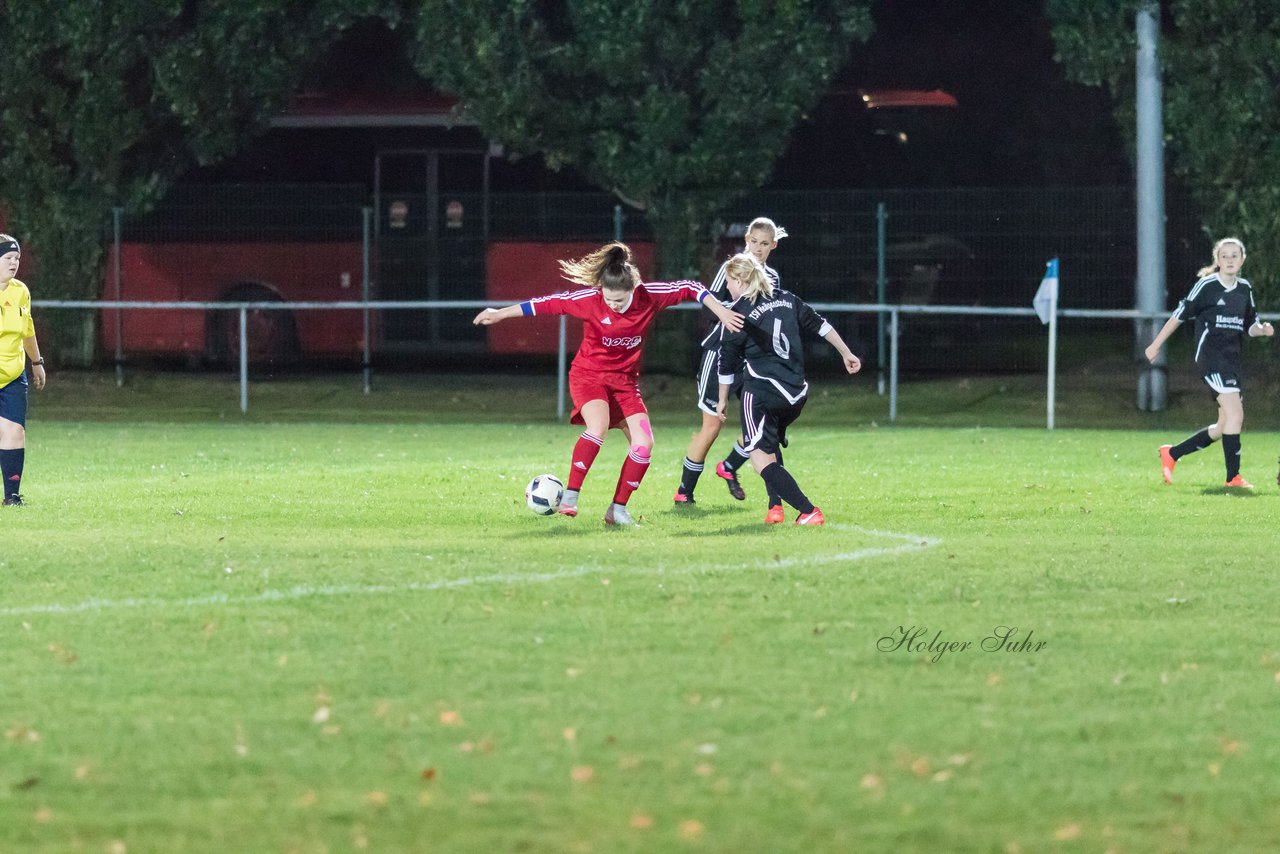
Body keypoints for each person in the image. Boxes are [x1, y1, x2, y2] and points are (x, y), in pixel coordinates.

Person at [473, 241, 743, 525]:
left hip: (625, 382)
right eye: (608, 299)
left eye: (619, 300)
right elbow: (546, 305)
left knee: (644, 445)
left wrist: (721, 310)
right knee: (598, 427)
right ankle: (571, 495)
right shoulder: (590, 300)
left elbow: (691, 287)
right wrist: (500, 313)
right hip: (589, 376)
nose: (612, 305)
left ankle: (617, 510)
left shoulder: (648, 296)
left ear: (633, 290)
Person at [715, 253, 861, 525]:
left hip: (763, 391)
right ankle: (775, 508)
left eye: (728, 282)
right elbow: (821, 325)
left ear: (738, 279)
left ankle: (808, 511)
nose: (727, 288)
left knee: (759, 459)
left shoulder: (736, 312)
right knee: (768, 446)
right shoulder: (787, 298)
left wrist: (722, 399)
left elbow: (726, 362)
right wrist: (846, 352)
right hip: (795, 394)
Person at [674, 216, 787, 507]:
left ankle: (731, 468)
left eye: (764, 244)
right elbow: (710, 305)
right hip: (721, 353)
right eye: (754, 241)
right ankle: (684, 490)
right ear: (746, 239)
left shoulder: (772, 277)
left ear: (773, 245)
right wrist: (730, 311)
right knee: (712, 426)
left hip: (751, 358)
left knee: (763, 423)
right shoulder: (732, 268)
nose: (758, 248)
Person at [1144, 237, 1273, 488]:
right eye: (1225, 256)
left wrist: (1262, 329)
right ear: (1217, 260)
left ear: (1242, 259)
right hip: (1211, 359)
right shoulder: (1207, 285)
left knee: (1224, 424)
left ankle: (1172, 454)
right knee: (1236, 413)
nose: (1230, 260)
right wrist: (1156, 344)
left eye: (1235, 255)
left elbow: (1250, 326)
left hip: (1232, 360)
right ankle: (1233, 478)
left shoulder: (1245, 288)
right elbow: (1179, 314)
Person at [0, 234, 47, 507]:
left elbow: (27, 329)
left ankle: (12, 496)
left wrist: (37, 362)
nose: (14, 263)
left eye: (17, 258)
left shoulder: (20, 291)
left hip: (13, 376)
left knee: (15, 432)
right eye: (8, 258)